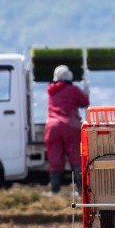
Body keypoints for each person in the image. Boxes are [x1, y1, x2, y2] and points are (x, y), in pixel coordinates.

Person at [44, 64, 89, 194]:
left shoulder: (50, 90)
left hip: (52, 128)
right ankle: (81, 191)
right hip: (71, 127)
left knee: (55, 160)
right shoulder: (74, 89)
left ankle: (55, 191)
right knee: (76, 159)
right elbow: (84, 103)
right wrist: (86, 93)